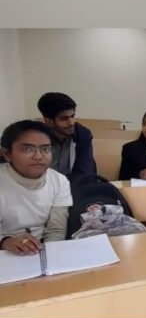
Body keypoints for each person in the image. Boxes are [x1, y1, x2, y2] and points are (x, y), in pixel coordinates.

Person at [0, 120, 72, 254]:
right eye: (27, 149)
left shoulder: (60, 181)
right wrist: (5, 242)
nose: (38, 156)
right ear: (7, 154)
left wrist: (50, 255)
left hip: (41, 249)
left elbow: (56, 230)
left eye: (45, 149)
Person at [37, 92, 96, 179]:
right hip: (44, 184)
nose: (71, 123)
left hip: (73, 184)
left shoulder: (82, 135)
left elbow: (85, 173)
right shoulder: (37, 138)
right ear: (48, 121)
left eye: (72, 116)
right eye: (64, 119)